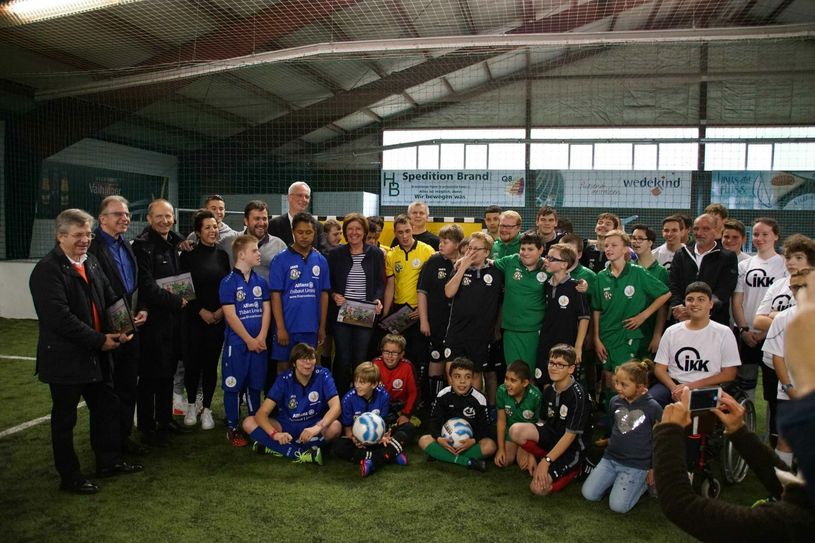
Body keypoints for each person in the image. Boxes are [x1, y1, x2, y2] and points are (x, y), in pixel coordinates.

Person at [30, 208, 142, 494]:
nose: (85, 240)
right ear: (60, 236)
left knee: (106, 407)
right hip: (66, 359)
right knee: (65, 418)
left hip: (97, 354)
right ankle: (70, 476)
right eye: (78, 235)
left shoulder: (90, 261)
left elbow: (109, 297)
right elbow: (60, 320)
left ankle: (108, 462)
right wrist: (99, 340)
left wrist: (125, 323)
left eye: (88, 234)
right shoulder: (47, 270)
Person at [653, 387, 815, 542]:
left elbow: (681, 506)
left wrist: (669, 431)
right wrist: (739, 432)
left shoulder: (793, 524)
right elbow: (785, 483)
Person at [87, 195, 148, 455]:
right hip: (107, 331)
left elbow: (136, 284)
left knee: (127, 387)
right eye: (118, 214)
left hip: (130, 328)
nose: (125, 218)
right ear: (102, 219)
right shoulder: (92, 248)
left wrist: (142, 308)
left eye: (127, 214)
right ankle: (108, 449)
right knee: (107, 394)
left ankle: (123, 440)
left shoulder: (127, 245)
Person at [132, 199, 191, 446]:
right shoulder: (142, 246)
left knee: (167, 373)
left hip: (172, 321)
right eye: (159, 216)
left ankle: (164, 420)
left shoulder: (172, 242)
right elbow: (145, 286)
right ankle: (147, 426)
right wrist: (175, 302)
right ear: (148, 218)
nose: (164, 220)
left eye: (168, 216)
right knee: (149, 377)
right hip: (153, 321)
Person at [592, 229, 670, 403]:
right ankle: (612, 420)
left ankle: (630, 419)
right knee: (608, 378)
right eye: (606, 246)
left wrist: (644, 315)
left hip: (628, 335)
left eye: (614, 245)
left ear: (625, 249)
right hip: (606, 336)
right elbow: (596, 309)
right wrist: (596, 337)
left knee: (625, 379)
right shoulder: (601, 277)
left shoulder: (637, 273)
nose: (609, 249)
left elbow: (665, 294)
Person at [581, 359, 662, 513]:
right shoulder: (614, 402)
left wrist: (652, 467)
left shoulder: (653, 408)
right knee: (589, 494)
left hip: (636, 465)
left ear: (640, 387)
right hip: (610, 459)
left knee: (618, 507)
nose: (618, 387)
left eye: (624, 385)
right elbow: (615, 427)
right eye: (617, 382)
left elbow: (659, 439)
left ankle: (643, 483)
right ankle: (616, 482)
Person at [510, 344, 591, 495]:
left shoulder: (579, 396)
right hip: (553, 439)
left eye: (560, 365)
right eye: (552, 363)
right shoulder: (548, 391)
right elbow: (541, 424)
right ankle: (545, 458)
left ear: (571, 369)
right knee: (515, 431)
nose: (554, 368)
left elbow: (570, 435)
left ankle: (578, 469)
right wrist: (530, 454)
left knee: (538, 489)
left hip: (572, 449)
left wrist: (546, 462)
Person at [243, 343, 341, 464]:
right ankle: (299, 453)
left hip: (312, 423)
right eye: (303, 359)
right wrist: (275, 435)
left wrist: (317, 427)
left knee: (336, 426)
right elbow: (261, 413)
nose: (308, 363)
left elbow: (336, 407)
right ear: (294, 363)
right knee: (249, 422)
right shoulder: (284, 380)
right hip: (286, 424)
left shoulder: (323, 375)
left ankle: (275, 447)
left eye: (311, 358)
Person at [732, 218, 786, 423]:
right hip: (747, 333)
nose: (760, 238)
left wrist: (765, 331)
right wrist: (744, 329)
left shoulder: (783, 264)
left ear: (775, 236)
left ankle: (774, 431)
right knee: (746, 383)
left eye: (765, 234)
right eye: (756, 234)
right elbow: (737, 301)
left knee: (775, 387)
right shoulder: (745, 265)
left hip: (773, 333)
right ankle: (747, 427)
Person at [180, 209, 230, 430]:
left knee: (210, 365)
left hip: (217, 320)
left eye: (215, 226)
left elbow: (228, 286)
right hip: (194, 318)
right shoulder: (188, 256)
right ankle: (191, 405)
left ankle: (207, 409)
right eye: (208, 227)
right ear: (198, 232)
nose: (213, 230)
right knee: (193, 364)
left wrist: (220, 312)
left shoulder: (222, 255)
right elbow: (184, 289)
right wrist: (201, 311)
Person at [651, 282, 741, 406]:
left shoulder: (723, 333)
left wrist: (689, 386)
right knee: (650, 402)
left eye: (701, 299)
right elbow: (659, 369)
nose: (694, 304)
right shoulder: (672, 331)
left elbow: (729, 374)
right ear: (685, 304)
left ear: (710, 304)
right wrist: (674, 389)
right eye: (690, 299)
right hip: (673, 384)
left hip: (706, 387)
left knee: (700, 411)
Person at [445, 231, 504, 414]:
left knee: (476, 372)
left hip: (481, 334)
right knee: (452, 369)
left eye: (476, 249)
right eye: (469, 248)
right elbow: (448, 292)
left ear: (487, 252)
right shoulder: (459, 268)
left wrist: (496, 328)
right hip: (457, 331)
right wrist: (463, 267)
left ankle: (475, 411)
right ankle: (455, 408)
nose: (471, 252)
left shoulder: (496, 273)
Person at [219, 235, 270, 447]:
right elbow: (230, 315)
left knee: (255, 386)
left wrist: (261, 337)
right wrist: (248, 339)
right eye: (255, 251)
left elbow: (267, 310)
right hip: (237, 345)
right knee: (233, 386)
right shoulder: (228, 282)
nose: (259, 254)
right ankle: (232, 428)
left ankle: (253, 425)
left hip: (258, 344)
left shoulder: (261, 282)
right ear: (241, 255)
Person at [327, 212, 385, 394]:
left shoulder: (375, 253)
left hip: (365, 313)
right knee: (343, 357)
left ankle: (361, 395)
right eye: (350, 229)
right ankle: (341, 397)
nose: (354, 232)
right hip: (342, 312)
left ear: (365, 231)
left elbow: (380, 283)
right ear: (345, 232)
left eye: (358, 229)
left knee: (361, 357)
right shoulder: (336, 254)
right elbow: (327, 283)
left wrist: (378, 299)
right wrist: (334, 294)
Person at [269, 212, 330, 375]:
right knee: (283, 367)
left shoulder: (321, 260)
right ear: (293, 231)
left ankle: (306, 400)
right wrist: (280, 327)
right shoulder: (280, 260)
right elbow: (275, 296)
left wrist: (322, 326)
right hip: (287, 327)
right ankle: (283, 401)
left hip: (311, 327)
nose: (304, 236)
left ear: (315, 233)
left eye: (308, 232)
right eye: (300, 232)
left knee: (309, 367)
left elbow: (324, 295)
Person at [763, 268, 811, 468]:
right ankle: (781, 490)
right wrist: (789, 388)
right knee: (785, 440)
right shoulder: (782, 319)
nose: (799, 291)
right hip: (789, 392)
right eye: (794, 287)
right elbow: (777, 357)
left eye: (804, 286)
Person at [333, 362, 410, 478]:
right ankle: (391, 453)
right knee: (337, 446)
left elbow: (383, 423)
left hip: (379, 439)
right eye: (356, 381)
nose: (357, 385)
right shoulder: (348, 399)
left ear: (374, 384)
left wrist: (384, 436)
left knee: (408, 427)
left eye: (362, 382)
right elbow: (348, 430)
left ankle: (372, 461)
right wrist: (355, 439)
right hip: (359, 441)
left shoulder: (383, 396)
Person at [418, 357, 496, 471]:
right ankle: (467, 461)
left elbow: (484, 428)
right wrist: (439, 439)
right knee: (423, 440)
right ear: (450, 378)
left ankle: (440, 455)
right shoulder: (443, 395)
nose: (462, 381)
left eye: (467, 377)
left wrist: (473, 441)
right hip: (445, 443)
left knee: (490, 446)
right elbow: (434, 421)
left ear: (472, 378)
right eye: (457, 376)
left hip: (468, 444)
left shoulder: (479, 399)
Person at [383, 213, 435, 369]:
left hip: (419, 311)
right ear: (395, 233)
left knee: (419, 356)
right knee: (401, 355)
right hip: (400, 312)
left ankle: (419, 391)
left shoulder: (427, 251)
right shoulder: (392, 255)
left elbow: (434, 286)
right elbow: (390, 286)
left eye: (407, 231)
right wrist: (385, 316)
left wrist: (423, 310)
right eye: (400, 232)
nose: (404, 236)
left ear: (413, 229)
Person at [418, 224, 464, 398]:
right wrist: (424, 320)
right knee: (435, 359)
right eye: (441, 240)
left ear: (458, 244)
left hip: (459, 324)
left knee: (454, 364)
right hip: (436, 322)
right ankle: (433, 404)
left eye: (446, 241)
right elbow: (422, 292)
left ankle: (456, 401)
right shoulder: (433, 261)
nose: (441, 244)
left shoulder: (466, 262)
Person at [668, 213, 738, 326]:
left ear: (716, 230)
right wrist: (678, 307)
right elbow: (673, 284)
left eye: (705, 229)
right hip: (682, 320)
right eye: (696, 229)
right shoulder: (681, 254)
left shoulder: (727, 257)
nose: (699, 233)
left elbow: (724, 291)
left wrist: (696, 311)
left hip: (715, 321)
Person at [493, 231, 547, 376]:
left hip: (534, 330)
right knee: (513, 374)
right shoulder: (511, 261)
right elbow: (488, 262)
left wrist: (583, 284)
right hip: (511, 329)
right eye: (523, 249)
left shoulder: (548, 268)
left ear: (540, 250)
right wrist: (462, 261)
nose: (525, 253)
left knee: (532, 374)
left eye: (530, 249)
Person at [537, 243, 591, 385]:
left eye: (552, 258)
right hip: (546, 341)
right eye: (547, 256)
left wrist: (578, 346)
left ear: (564, 265)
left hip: (567, 342)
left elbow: (584, 317)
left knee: (565, 382)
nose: (546, 260)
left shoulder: (576, 286)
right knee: (545, 380)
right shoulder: (546, 285)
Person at [630, 224, 670, 357]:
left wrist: (657, 335)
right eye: (633, 238)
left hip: (649, 329)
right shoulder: (627, 268)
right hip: (628, 330)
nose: (636, 242)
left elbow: (662, 307)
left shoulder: (660, 271)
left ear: (650, 242)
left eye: (640, 238)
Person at [222, 200, 286, 282]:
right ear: (246, 221)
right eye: (257, 219)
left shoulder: (279, 245)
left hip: (268, 294)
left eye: (264, 219)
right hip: (238, 293)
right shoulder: (231, 240)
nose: (261, 223)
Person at [494, 361, 542, 469]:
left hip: (527, 437)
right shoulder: (501, 391)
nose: (507, 383)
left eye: (513, 380)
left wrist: (531, 454)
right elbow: (501, 422)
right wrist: (500, 449)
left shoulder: (536, 396)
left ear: (525, 383)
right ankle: (512, 450)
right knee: (504, 461)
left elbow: (540, 428)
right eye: (506, 378)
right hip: (510, 433)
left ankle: (525, 452)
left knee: (523, 465)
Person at [372, 334, 419, 443]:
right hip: (378, 408)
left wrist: (406, 414)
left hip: (399, 409)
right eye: (386, 352)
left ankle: (393, 441)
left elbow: (414, 393)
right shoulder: (375, 364)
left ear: (402, 354)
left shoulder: (407, 366)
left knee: (409, 428)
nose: (389, 356)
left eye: (394, 353)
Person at [268, 181, 323, 248]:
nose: (304, 199)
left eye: (307, 197)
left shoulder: (318, 226)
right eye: (300, 195)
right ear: (290, 197)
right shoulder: (273, 225)